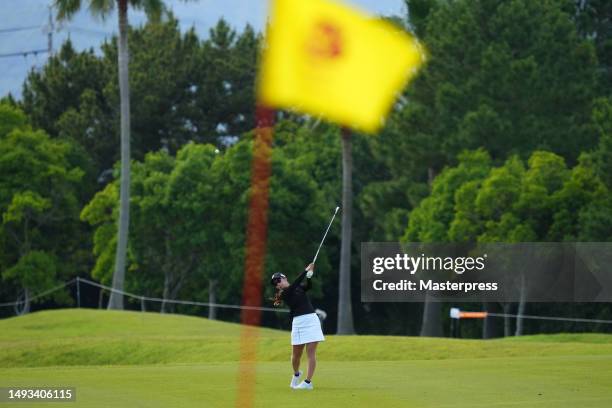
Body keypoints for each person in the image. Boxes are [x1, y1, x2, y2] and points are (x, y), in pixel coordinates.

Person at [271, 263, 324, 390]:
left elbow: (308, 286)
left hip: (311, 320)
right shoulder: (284, 293)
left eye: (278, 280)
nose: (277, 284)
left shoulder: (298, 287)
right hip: (299, 323)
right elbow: (296, 283)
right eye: (275, 283)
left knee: (311, 353)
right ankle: (296, 374)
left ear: (284, 278)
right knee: (296, 356)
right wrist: (306, 270)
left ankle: (307, 382)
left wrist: (310, 275)